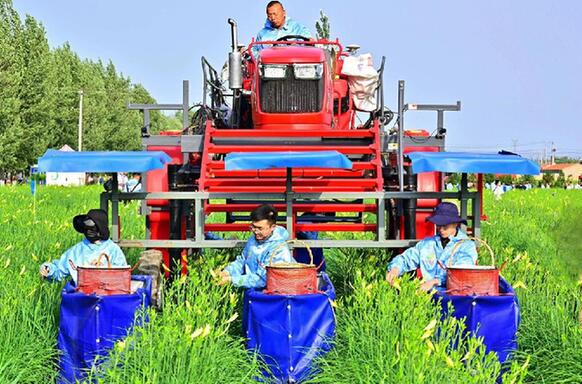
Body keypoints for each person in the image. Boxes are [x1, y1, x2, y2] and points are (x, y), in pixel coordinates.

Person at [385, 202, 478, 292]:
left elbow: (461, 272)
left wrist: (435, 281)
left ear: (455, 224)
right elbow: (407, 258)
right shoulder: (428, 244)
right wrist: (395, 269)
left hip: (455, 296)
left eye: (445, 226)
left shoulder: (466, 245)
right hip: (428, 296)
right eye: (438, 225)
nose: (441, 229)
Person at [40, 209, 127, 283]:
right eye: (87, 228)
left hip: (108, 295)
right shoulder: (77, 251)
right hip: (82, 296)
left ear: (101, 228)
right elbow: (60, 270)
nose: (89, 231)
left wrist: (101, 268)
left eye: (92, 229)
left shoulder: (113, 249)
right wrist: (49, 269)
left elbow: (122, 274)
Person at [218, 204, 294, 289]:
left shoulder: (279, 249)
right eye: (253, 227)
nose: (255, 231)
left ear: (272, 227)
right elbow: (242, 261)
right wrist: (228, 272)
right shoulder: (253, 240)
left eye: (260, 228)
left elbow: (264, 280)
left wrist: (232, 280)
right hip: (252, 288)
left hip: (273, 294)